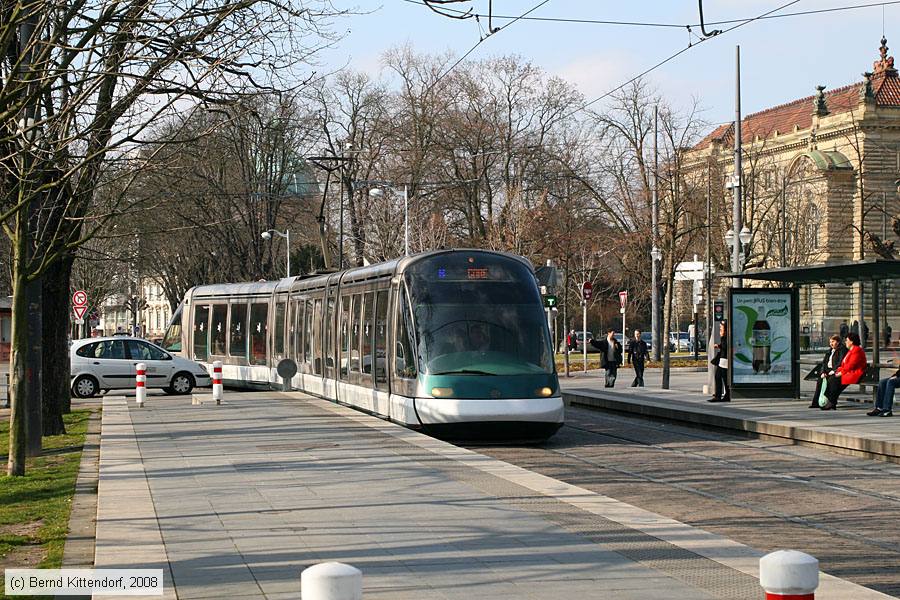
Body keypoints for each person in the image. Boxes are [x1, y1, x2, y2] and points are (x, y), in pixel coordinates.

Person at [822, 332, 867, 410]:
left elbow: (851, 365)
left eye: (847, 340)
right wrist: (839, 370)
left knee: (834, 380)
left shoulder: (856, 350)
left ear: (851, 341)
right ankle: (831, 401)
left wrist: (841, 373)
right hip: (849, 372)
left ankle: (831, 402)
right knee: (832, 379)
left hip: (855, 373)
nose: (845, 342)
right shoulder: (851, 350)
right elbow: (844, 364)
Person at [809, 335, 846, 408]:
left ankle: (830, 402)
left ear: (838, 342)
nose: (831, 343)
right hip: (828, 370)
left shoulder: (842, 350)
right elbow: (824, 363)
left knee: (831, 382)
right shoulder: (830, 350)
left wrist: (834, 370)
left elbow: (841, 362)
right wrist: (823, 372)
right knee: (820, 381)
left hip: (836, 371)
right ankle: (815, 403)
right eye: (830, 342)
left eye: (833, 341)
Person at [708, 321, 730, 402]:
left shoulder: (726, 337)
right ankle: (724, 395)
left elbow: (726, 347)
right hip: (723, 360)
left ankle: (719, 395)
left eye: (721, 329)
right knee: (722, 377)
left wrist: (719, 345)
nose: (720, 331)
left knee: (721, 377)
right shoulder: (725, 337)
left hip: (724, 360)